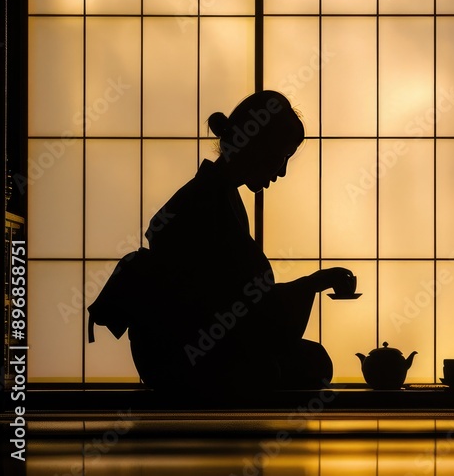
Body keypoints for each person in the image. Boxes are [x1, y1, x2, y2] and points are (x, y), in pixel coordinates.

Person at [122, 90, 354, 392]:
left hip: (203, 340)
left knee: (312, 360)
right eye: (281, 157)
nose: (282, 171)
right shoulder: (204, 198)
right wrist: (311, 284)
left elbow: (242, 297)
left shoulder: (218, 193)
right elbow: (228, 300)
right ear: (257, 148)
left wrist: (313, 282)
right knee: (299, 365)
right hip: (183, 349)